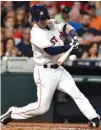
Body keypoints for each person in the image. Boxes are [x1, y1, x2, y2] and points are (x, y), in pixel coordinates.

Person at [0, 4, 100, 128]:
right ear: (35, 19)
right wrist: (69, 46)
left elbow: (65, 26)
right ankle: (13, 113)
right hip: (45, 72)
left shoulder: (50, 22)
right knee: (42, 108)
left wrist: (73, 34)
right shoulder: (35, 33)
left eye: (45, 17)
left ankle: (94, 117)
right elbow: (50, 50)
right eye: (41, 19)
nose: (44, 21)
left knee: (76, 93)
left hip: (59, 70)